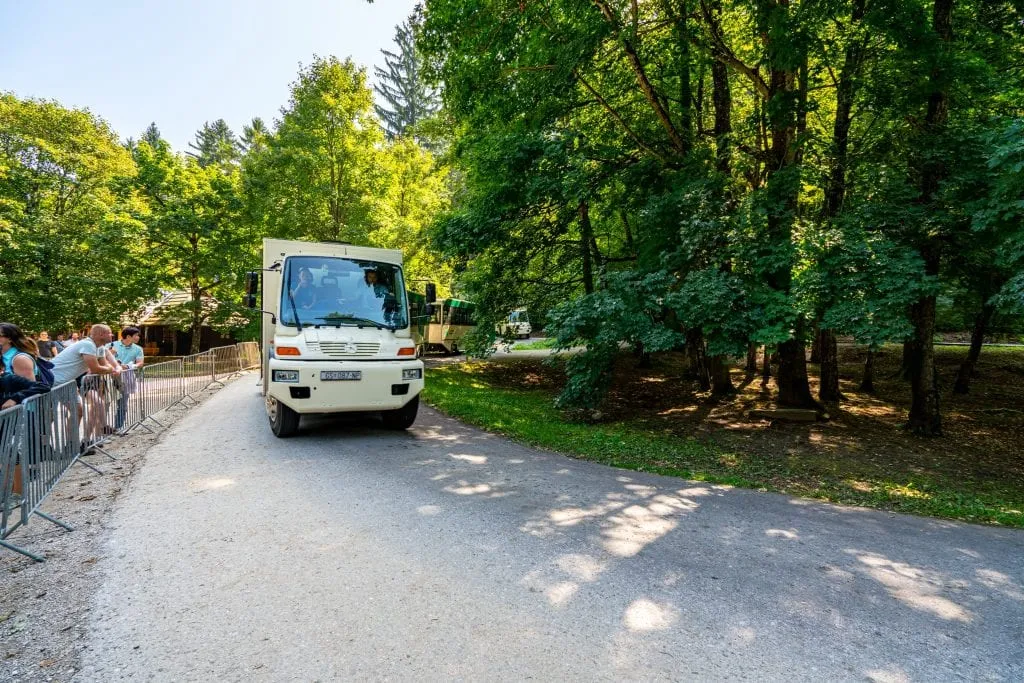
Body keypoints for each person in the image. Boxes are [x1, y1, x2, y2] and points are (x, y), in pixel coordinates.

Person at [51, 325, 120, 441]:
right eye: (109, 333)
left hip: (67, 382)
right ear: (100, 334)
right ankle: (41, 447)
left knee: (79, 410)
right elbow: (96, 369)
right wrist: (112, 369)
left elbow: (103, 366)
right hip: (54, 381)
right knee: (48, 416)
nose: (112, 335)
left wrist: (110, 368)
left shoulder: (100, 347)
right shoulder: (87, 344)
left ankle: (71, 445)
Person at [107, 326, 145, 431]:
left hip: (125, 377)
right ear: (128, 336)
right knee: (106, 403)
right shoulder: (111, 345)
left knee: (122, 404)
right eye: (136, 335)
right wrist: (110, 354)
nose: (138, 337)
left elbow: (140, 363)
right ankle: (102, 429)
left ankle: (119, 427)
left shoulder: (138, 349)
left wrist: (128, 366)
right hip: (109, 377)